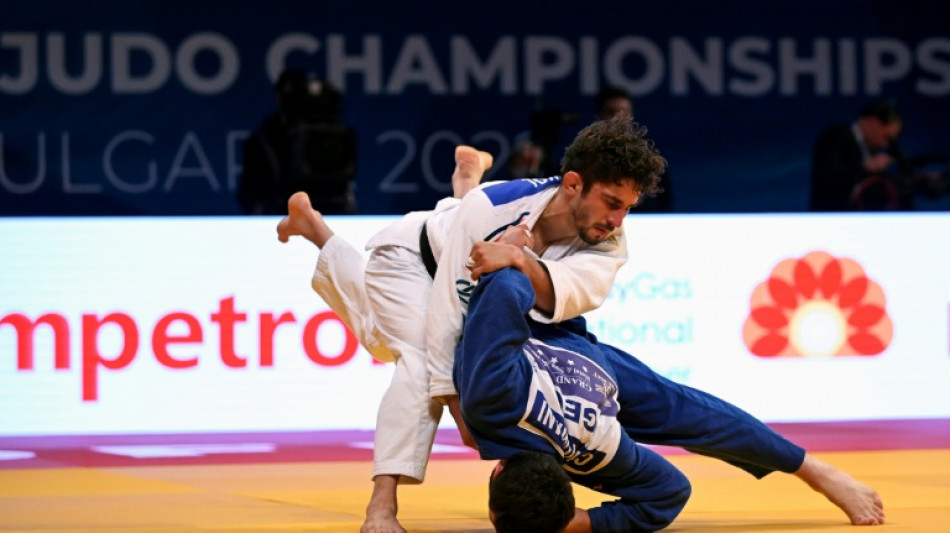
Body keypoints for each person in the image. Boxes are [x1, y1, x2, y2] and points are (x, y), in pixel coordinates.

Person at [277, 114, 667, 533]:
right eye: (612, 203)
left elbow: (565, 298)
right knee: (419, 362)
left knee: (381, 335)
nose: (617, 219)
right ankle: (381, 506)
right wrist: (459, 410)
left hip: (460, 244)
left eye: (628, 207)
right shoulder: (497, 206)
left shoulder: (600, 234)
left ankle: (323, 227)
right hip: (412, 260)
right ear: (573, 184)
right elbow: (448, 310)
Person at [457, 267, 886, 532]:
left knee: (455, 310)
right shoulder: (501, 407)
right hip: (593, 368)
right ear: (497, 474)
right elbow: (669, 491)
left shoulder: (498, 402)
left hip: (553, 335)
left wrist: (517, 257)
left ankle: (466, 198)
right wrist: (573, 523)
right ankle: (814, 470)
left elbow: (505, 280)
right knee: (694, 414)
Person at [238, 68, 357, 215]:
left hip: (332, 214)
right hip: (278, 216)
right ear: (279, 97)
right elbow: (249, 195)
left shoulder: (335, 135)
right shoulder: (263, 139)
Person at [810, 99, 945, 211]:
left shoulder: (868, 147)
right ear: (873, 123)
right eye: (886, 137)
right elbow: (828, 175)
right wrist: (865, 167)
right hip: (833, 219)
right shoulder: (837, 136)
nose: (885, 144)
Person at [595, 85, 673, 212]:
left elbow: (664, 202)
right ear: (599, 114)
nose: (618, 118)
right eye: (611, 112)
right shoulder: (583, 155)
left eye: (624, 112)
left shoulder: (650, 157)